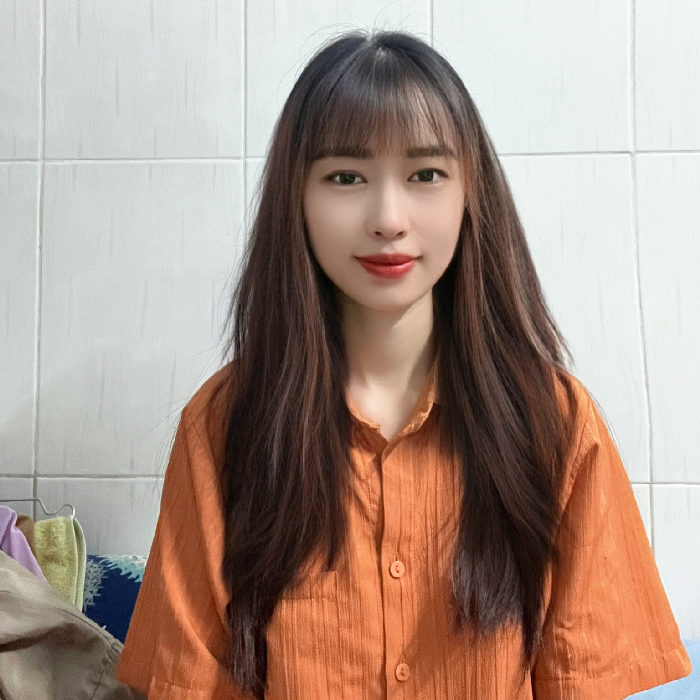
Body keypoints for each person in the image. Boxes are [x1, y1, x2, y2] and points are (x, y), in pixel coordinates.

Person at [115, 29, 692, 700]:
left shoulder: (554, 423)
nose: (388, 218)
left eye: (424, 175)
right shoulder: (225, 427)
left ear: (469, 192)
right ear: (296, 198)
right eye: (346, 177)